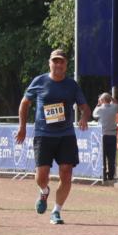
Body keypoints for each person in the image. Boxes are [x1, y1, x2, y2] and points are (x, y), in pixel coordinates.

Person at [15, 49, 90, 225]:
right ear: (49, 63)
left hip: (65, 135)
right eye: (55, 61)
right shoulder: (39, 81)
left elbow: (85, 107)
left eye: (61, 61)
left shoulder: (72, 85)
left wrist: (84, 117)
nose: (58, 64)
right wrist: (22, 127)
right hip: (43, 134)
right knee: (41, 176)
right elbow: (24, 103)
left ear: (66, 65)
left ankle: (56, 211)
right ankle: (44, 190)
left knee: (66, 172)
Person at [93, 92, 117, 183]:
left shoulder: (99, 109)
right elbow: (116, 102)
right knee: (111, 157)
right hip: (112, 135)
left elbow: (94, 115)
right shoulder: (114, 107)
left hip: (102, 135)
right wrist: (110, 97)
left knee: (102, 156)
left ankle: (103, 175)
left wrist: (98, 104)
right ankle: (111, 175)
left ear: (102, 100)